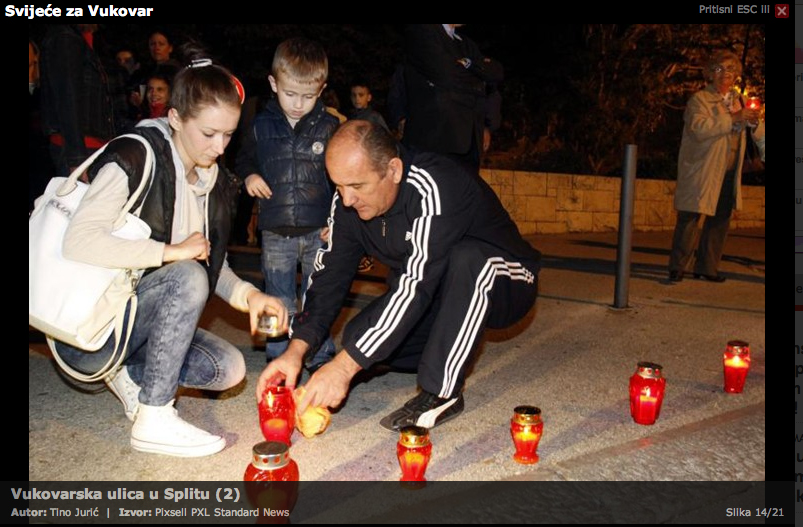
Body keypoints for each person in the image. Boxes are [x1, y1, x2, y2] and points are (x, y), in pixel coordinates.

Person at [52, 49, 288, 457]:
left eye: (229, 135)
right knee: (185, 272)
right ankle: (154, 416)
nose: (219, 146)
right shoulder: (136, 154)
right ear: (176, 117)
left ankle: (129, 374)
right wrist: (170, 251)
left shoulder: (212, 179)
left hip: (139, 324)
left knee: (227, 369)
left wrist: (251, 296)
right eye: (209, 133)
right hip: (92, 328)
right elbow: (79, 241)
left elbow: (213, 264)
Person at [257, 120, 541, 432]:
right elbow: (329, 277)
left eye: (357, 186)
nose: (346, 199)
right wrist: (296, 350)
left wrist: (343, 368)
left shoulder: (434, 185)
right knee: (359, 338)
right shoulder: (346, 201)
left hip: (507, 279)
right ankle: (455, 333)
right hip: (442, 290)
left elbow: (414, 286)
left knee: (469, 259)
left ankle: (442, 392)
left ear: (393, 170)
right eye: (338, 186)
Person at [235, 37, 339, 370]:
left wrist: (334, 222)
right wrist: (250, 176)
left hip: (316, 228)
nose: (297, 104)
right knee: (275, 295)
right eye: (290, 94)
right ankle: (276, 356)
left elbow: (340, 180)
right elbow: (242, 162)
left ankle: (319, 356)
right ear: (273, 83)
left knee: (316, 294)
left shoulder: (329, 127)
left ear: (321, 91)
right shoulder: (258, 125)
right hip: (275, 229)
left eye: (308, 96)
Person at [668, 51, 761, 283]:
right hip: (702, 168)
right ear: (710, 73)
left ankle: (707, 268)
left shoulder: (739, 99)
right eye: (719, 69)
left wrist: (753, 122)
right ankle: (678, 267)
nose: (724, 74)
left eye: (729, 70)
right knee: (690, 217)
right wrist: (733, 118)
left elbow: (754, 130)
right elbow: (699, 129)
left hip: (729, 170)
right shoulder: (699, 100)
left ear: (736, 75)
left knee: (720, 219)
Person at [402, 24, 503, 169]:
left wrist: (466, 65)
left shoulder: (467, 44)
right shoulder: (421, 32)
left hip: (469, 143)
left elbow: (496, 73)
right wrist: (478, 75)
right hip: (436, 139)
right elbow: (446, 74)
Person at [39, 24, 116, 178]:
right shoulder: (65, 37)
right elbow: (67, 97)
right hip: (81, 148)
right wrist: (77, 158)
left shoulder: (80, 37)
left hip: (88, 145)